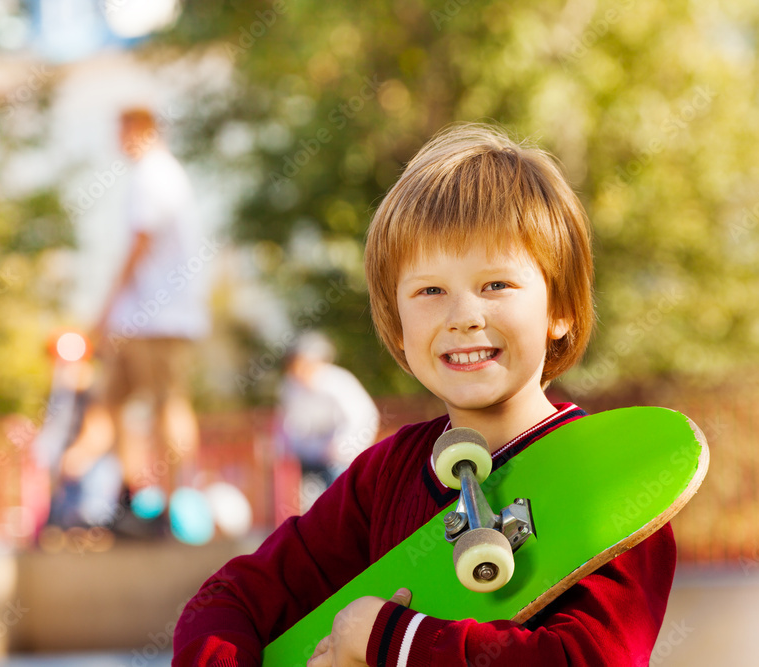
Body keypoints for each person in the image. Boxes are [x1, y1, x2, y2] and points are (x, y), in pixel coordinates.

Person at [173, 123, 675, 665]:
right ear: (398, 325)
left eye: (496, 284)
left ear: (561, 310)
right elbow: (227, 602)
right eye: (430, 290)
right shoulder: (383, 478)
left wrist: (389, 639)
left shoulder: (617, 479)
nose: (464, 317)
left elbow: (588, 658)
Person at [61, 106, 212, 543]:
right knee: (111, 406)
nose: (119, 142)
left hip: (163, 318)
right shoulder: (153, 176)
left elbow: (139, 245)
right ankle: (132, 501)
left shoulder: (155, 174)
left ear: (142, 130)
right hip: (139, 320)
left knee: (167, 404)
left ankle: (176, 503)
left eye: (123, 132)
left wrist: (103, 310)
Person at [275, 331, 380, 509]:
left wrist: (340, 448)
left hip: (341, 460)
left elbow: (364, 418)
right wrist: (293, 449)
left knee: (340, 501)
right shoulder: (290, 387)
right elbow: (290, 426)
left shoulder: (338, 382)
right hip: (310, 459)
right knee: (307, 504)